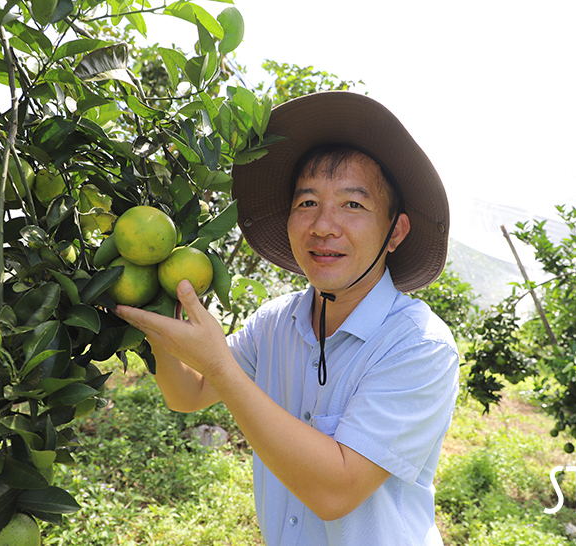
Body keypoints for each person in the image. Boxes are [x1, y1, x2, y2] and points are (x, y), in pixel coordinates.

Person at [115, 91, 460, 545]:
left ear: (395, 231)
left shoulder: (419, 347)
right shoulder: (276, 322)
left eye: (352, 205)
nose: (323, 226)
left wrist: (219, 363)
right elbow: (189, 394)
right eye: (307, 203)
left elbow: (336, 490)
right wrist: (157, 319)